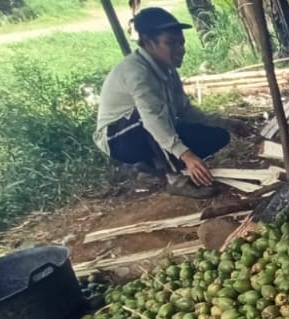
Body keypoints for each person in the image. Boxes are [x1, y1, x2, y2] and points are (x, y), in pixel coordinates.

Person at [93, 7, 231, 198]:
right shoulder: (137, 72)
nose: (180, 50)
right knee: (151, 119)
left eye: (181, 43)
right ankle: (176, 180)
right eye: (171, 43)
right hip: (118, 138)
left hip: (144, 126)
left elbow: (184, 110)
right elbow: (152, 119)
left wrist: (223, 122)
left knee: (218, 136)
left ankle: (150, 164)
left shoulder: (167, 69)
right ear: (149, 42)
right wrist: (186, 155)